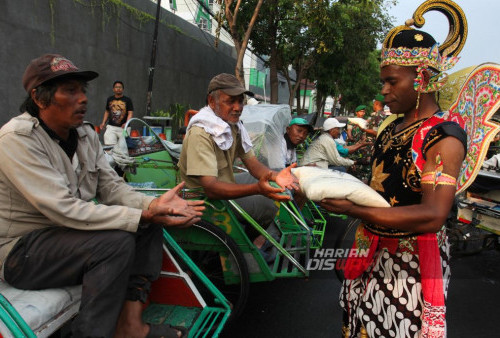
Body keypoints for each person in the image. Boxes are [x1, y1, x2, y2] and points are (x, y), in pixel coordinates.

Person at [0, 54, 204, 337]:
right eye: (70, 91)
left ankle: (130, 326)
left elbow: (111, 187)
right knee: (116, 242)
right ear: (39, 97)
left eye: (83, 90)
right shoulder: (17, 140)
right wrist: (142, 213)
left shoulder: (85, 135)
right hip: (21, 252)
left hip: (69, 238)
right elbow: (63, 209)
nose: (82, 98)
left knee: (148, 224)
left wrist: (154, 206)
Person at [320, 6, 469, 337]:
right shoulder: (391, 128)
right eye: (382, 82)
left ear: (424, 78)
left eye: (391, 81)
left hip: (410, 264)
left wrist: (353, 209)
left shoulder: (443, 136)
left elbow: (432, 215)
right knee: (358, 323)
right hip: (370, 248)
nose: (384, 91)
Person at [178, 73, 297, 257]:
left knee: (278, 176)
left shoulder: (233, 126)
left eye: (240, 101)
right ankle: (252, 245)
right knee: (269, 205)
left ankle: (252, 239)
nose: (238, 107)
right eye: (230, 101)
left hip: (225, 185)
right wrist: (257, 189)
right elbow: (210, 188)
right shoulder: (201, 133)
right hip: (205, 198)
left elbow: (254, 165)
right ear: (212, 101)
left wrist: (276, 176)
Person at [300, 118, 368, 172]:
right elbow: (337, 160)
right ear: (331, 130)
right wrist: (354, 162)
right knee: (341, 169)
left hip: (311, 166)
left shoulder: (325, 138)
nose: (339, 132)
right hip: (310, 168)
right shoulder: (327, 140)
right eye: (338, 129)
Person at [100, 80, 134, 145]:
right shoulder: (110, 99)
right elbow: (107, 111)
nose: (118, 89)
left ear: (123, 89)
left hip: (123, 128)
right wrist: (103, 122)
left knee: (123, 147)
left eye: (120, 87)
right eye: (116, 87)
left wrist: (126, 123)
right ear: (113, 89)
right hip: (111, 127)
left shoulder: (127, 100)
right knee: (109, 146)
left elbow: (130, 113)